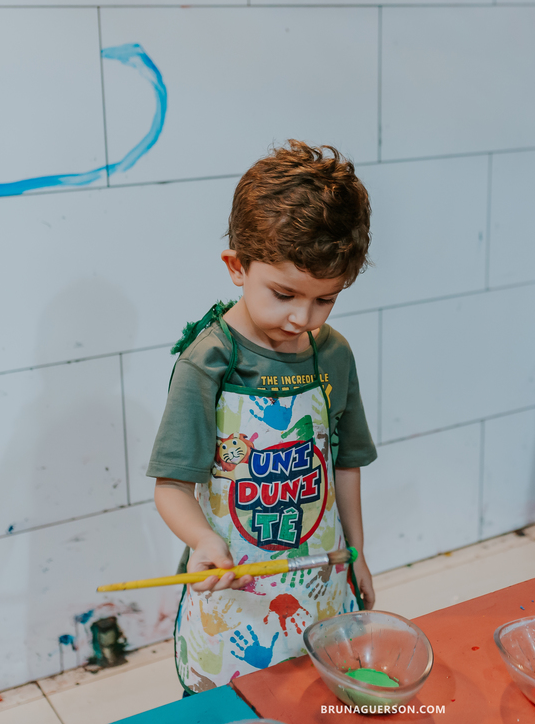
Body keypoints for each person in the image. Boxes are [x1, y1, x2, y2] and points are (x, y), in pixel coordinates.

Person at [147, 140, 377, 694]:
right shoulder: (209, 359)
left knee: (312, 694)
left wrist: (357, 553)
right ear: (236, 267)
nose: (302, 318)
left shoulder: (334, 354)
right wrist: (202, 542)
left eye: (325, 299)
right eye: (284, 294)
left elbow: (344, 464)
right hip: (232, 596)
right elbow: (173, 485)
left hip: (320, 579)